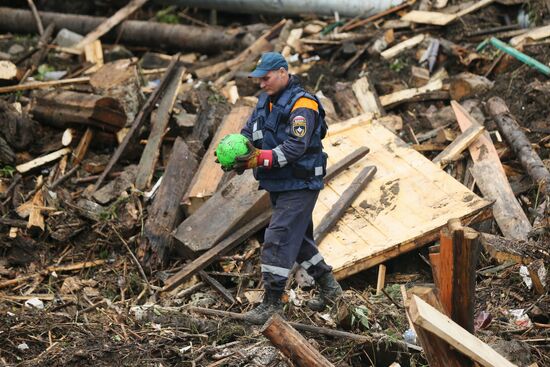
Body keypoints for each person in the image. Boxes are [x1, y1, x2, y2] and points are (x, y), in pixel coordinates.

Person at [229, 52, 342, 324]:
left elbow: (295, 146)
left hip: (300, 183)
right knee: (300, 241)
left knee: (277, 237)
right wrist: (233, 153)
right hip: (279, 183)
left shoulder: (303, 105)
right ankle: (332, 291)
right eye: (258, 79)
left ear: (282, 72)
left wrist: (259, 159)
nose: (261, 84)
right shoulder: (264, 103)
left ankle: (272, 303)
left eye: (265, 78)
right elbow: (248, 134)